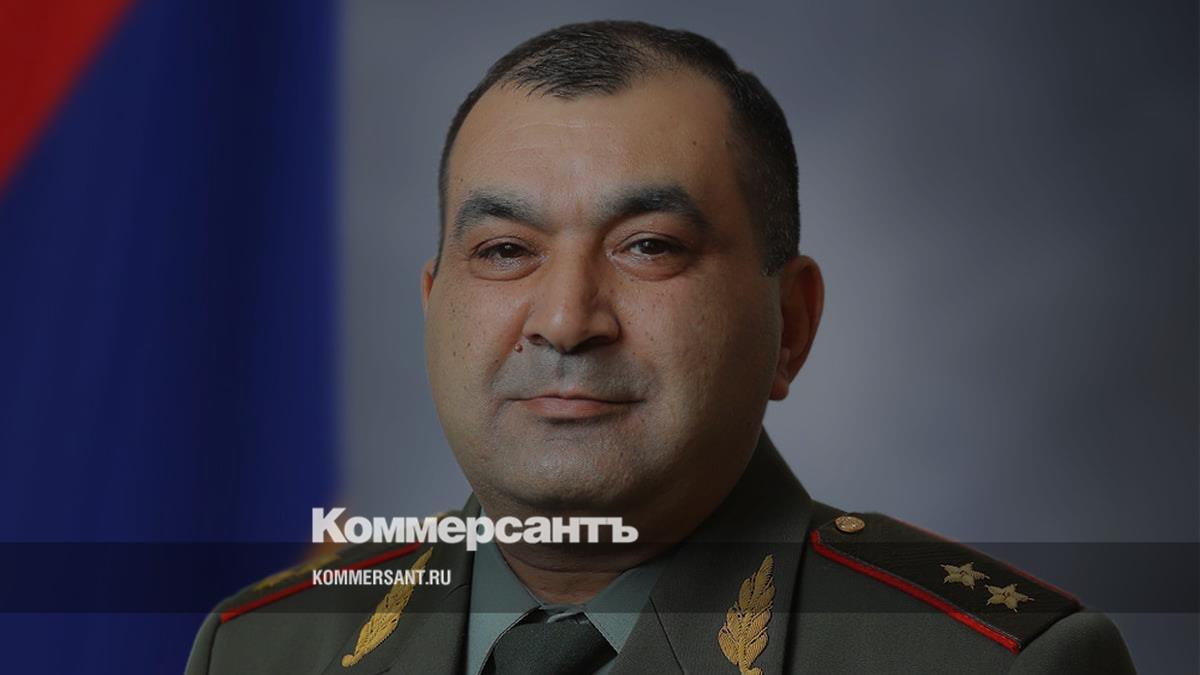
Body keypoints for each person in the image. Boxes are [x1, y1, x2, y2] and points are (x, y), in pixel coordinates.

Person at [186, 20, 1136, 674]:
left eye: (649, 247)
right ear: (434, 307)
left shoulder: (991, 664)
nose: (566, 320)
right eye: (506, 250)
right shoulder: (262, 649)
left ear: (792, 323)